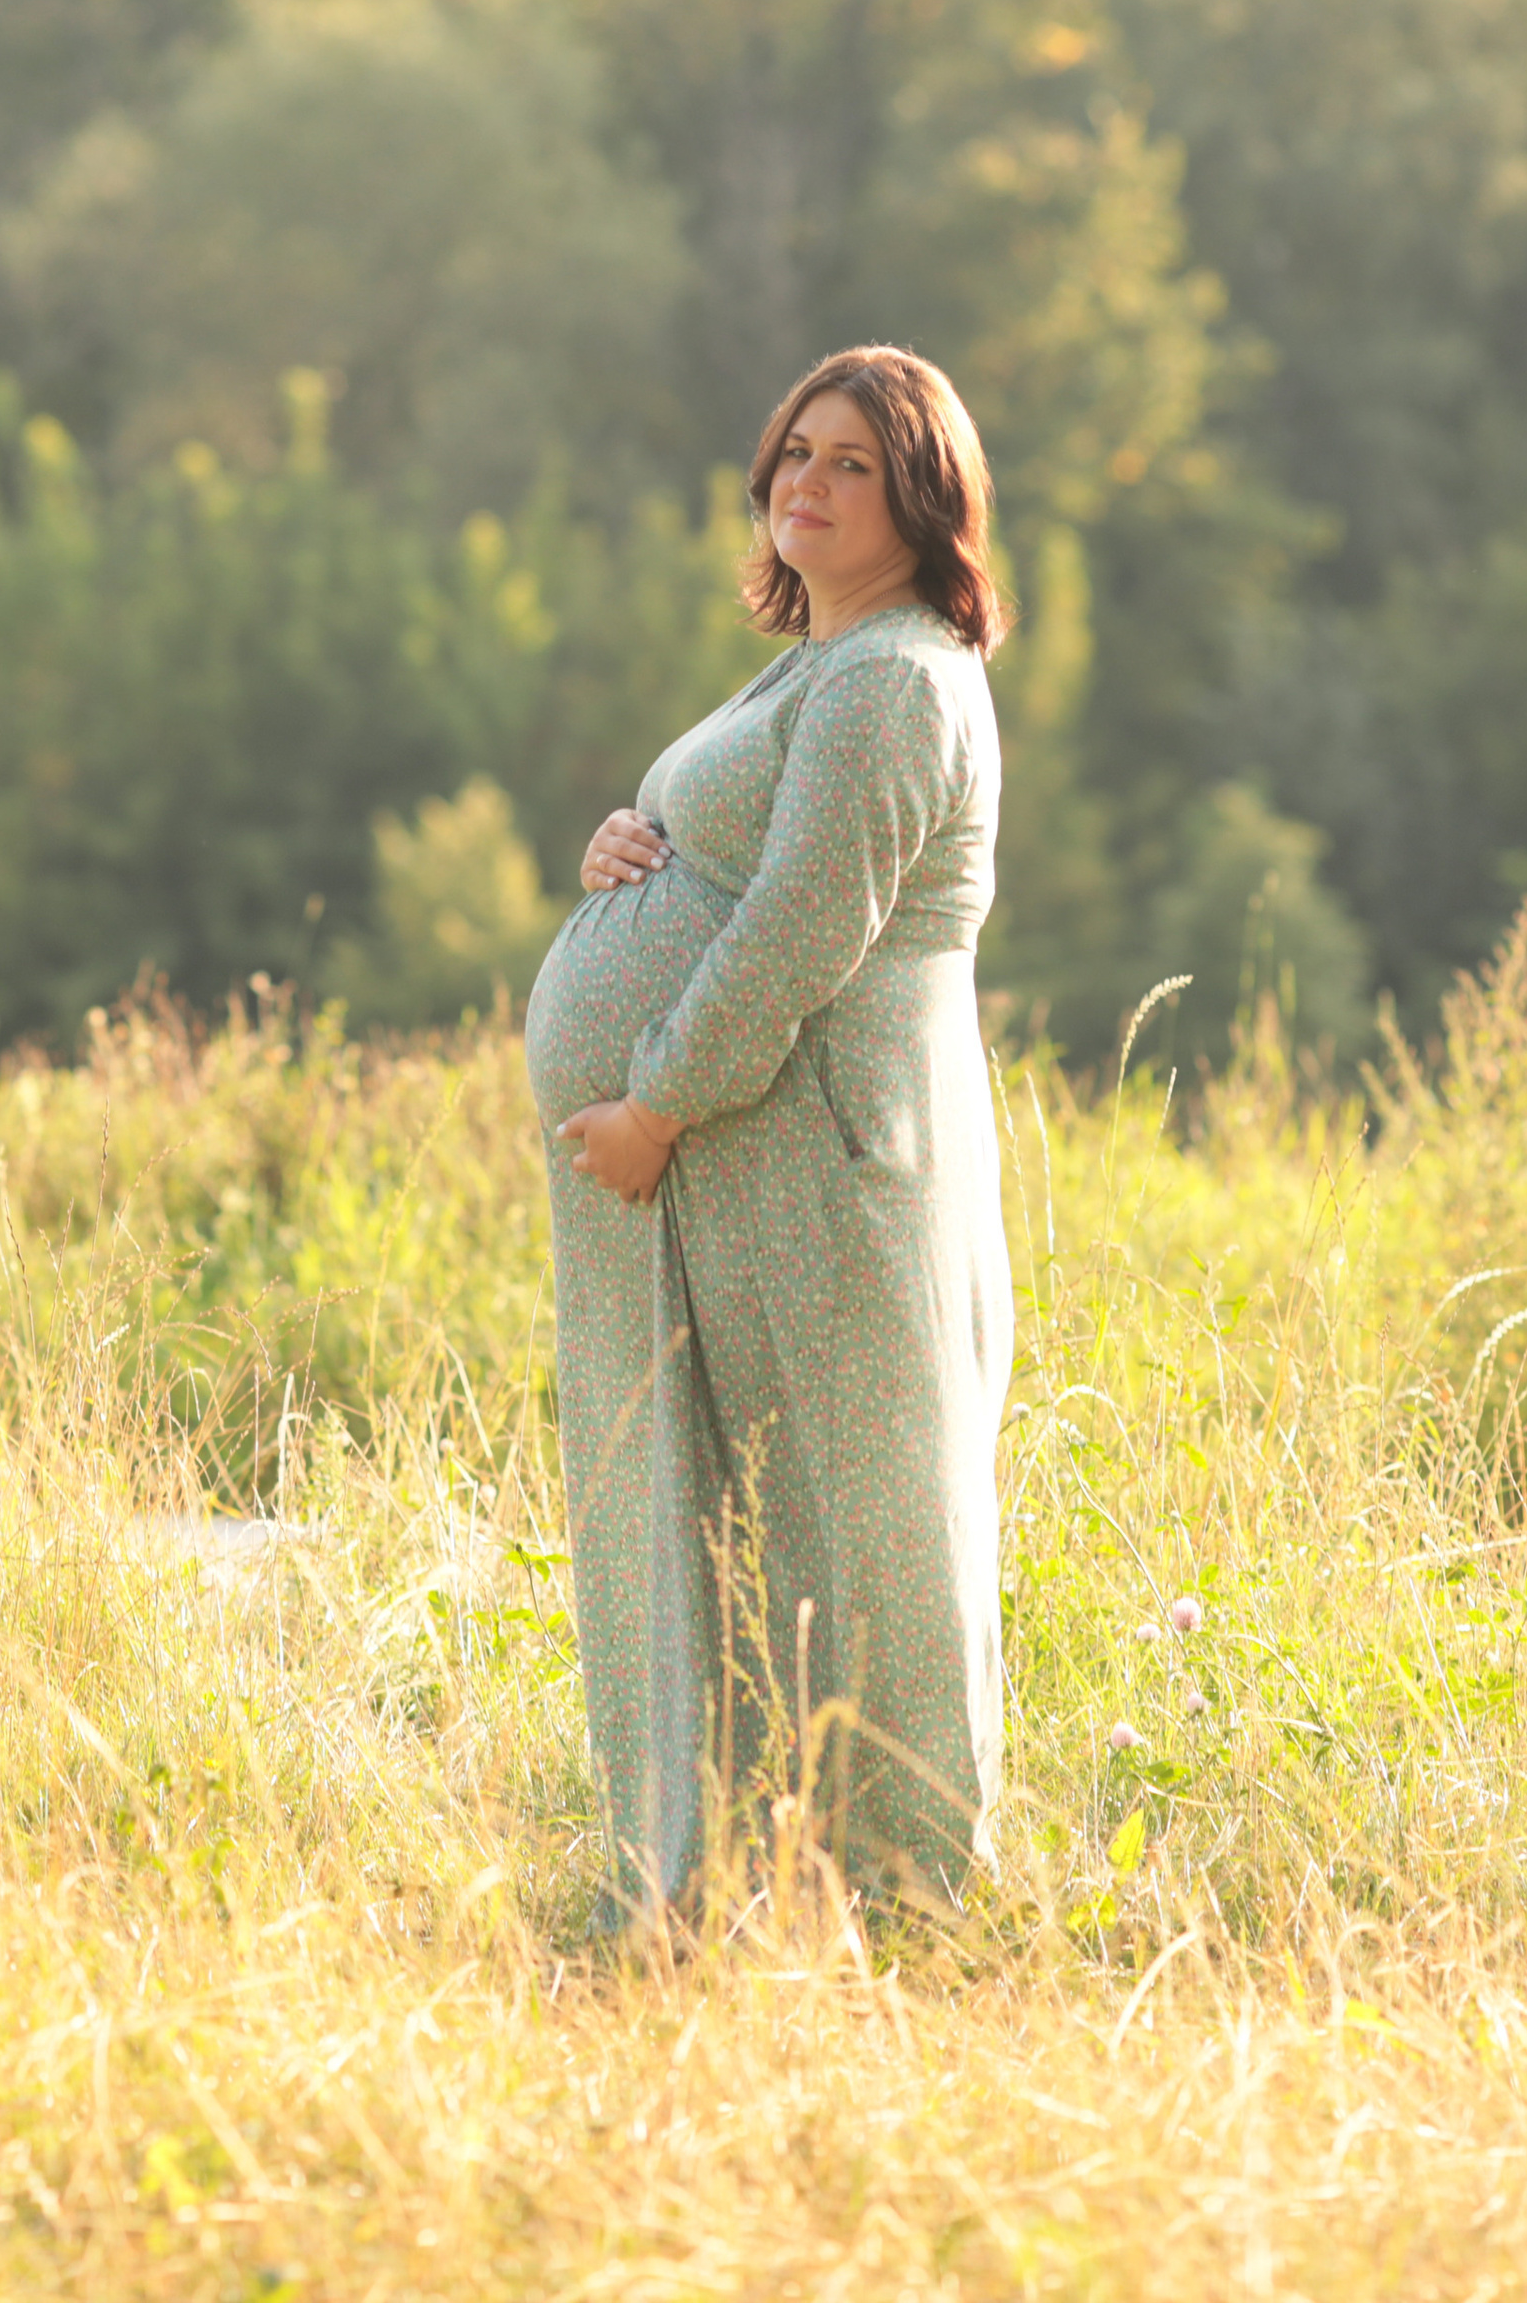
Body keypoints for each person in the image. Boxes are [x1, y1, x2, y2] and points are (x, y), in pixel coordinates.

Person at [523, 343, 1012, 1924]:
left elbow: (804, 929)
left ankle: (903, 1905)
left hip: (817, 1165)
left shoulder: (893, 678)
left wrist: (655, 1104)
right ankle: (734, 1893)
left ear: (924, 496)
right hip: (754, 1168)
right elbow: (742, 864)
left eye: (854, 462)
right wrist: (632, 845)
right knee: (745, 1530)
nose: (806, 480)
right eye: (795, 451)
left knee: (862, 1544)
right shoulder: (828, 662)